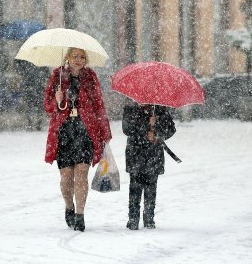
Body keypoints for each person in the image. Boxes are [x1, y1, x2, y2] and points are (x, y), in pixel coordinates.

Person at [44, 47, 112, 232]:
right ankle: (69, 206)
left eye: (82, 57)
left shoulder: (90, 77)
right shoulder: (58, 75)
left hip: (85, 130)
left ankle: (80, 215)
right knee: (66, 177)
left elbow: (99, 104)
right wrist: (57, 100)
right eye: (75, 56)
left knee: (82, 171)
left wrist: (105, 131)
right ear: (67, 57)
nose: (79, 60)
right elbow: (48, 106)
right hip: (64, 130)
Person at [122, 101, 176, 229]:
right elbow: (127, 129)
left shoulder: (160, 107)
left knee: (151, 188)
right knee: (134, 187)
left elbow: (171, 129)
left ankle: (149, 219)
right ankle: (133, 219)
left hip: (153, 153)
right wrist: (146, 129)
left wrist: (156, 128)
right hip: (135, 153)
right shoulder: (131, 106)